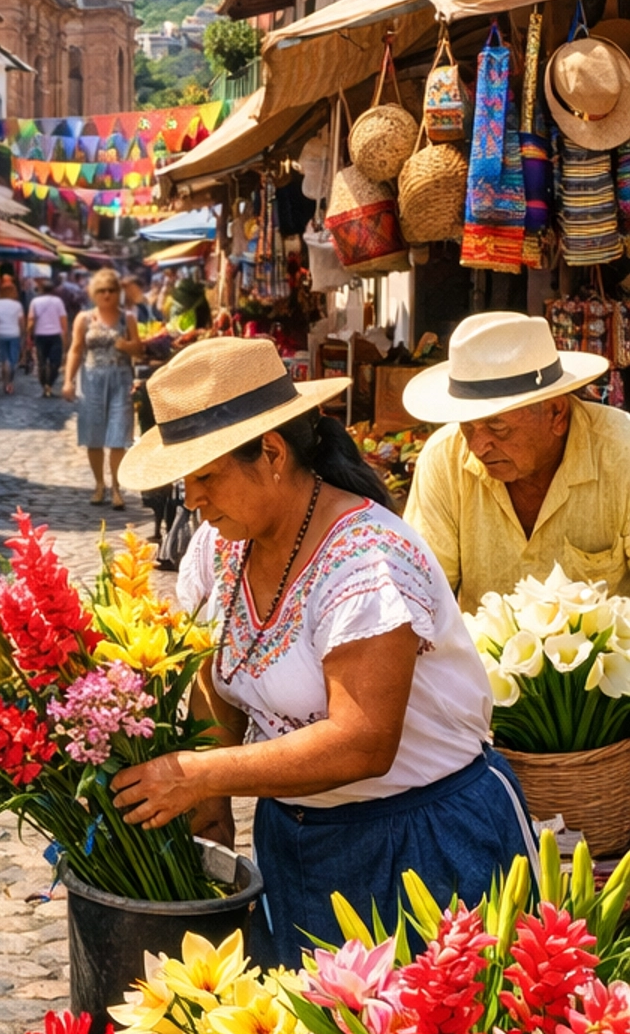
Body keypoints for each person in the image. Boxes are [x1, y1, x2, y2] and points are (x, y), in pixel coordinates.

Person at [110, 336, 534, 966]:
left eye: (205, 476)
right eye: (184, 480)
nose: (192, 499)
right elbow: (214, 682)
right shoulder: (220, 545)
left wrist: (199, 773)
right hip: (300, 840)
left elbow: (362, 740)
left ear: (272, 454)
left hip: (426, 839)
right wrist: (211, 815)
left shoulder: (366, 559)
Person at [403, 311, 630, 613]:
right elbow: (419, 598)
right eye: (467, 427)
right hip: (477, 660)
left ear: (556, 414)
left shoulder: (621, 453)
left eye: (497, 426)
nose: (478, 446)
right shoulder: (443, 459)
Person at [63, 266, 142, 504]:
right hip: (92, 380)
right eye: (101, 290)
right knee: (93, 436)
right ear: (93, 293)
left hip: (120, 379)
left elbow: (138, 347)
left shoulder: (127, 318)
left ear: (117, 292)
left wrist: (126, 346)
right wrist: (68, 380)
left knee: (119, 436)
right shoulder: (83, 318)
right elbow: (76, 350)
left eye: (111, 290)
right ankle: (99, 485)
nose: (106, 295)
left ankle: (117, 488)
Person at [27, 278, 69, 396]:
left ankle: (45, 386)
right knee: (56, 362)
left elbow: (31, 320)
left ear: (41, 289)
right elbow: (63, 320)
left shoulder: (35, 301)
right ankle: (49, 385)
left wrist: (28, 335)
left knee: (42, 363)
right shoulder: (58, 301)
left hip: (40, 336)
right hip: (55, 335)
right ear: (53, 290)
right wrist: (65, 335)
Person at [0, 275, 26, 394]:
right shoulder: (17, 305)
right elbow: (21, 322)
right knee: (13, 359)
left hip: (0, 333)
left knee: (3, 358)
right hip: (14, 333)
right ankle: (10, 382)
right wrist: (24, 334)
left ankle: (5, 382)